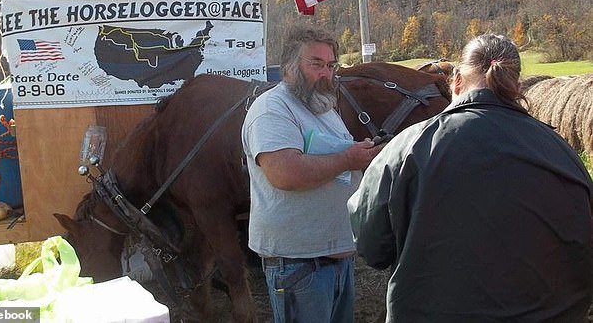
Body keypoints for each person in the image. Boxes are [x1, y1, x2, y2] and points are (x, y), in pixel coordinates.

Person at [348, 33, 593, 322]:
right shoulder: (560, 151)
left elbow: (370, 245)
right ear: (515, 86)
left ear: (456, 82)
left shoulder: (409, 146)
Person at [241, 25, 382, 323]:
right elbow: (285, 173)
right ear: (289, 67)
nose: (326, 73)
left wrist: (362, 154)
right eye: (316, 63)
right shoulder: (273, 110)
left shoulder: (321, 108)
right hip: (300, 265)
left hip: (333, 259)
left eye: (331, 65)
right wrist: (348, 158)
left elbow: (335, 156)